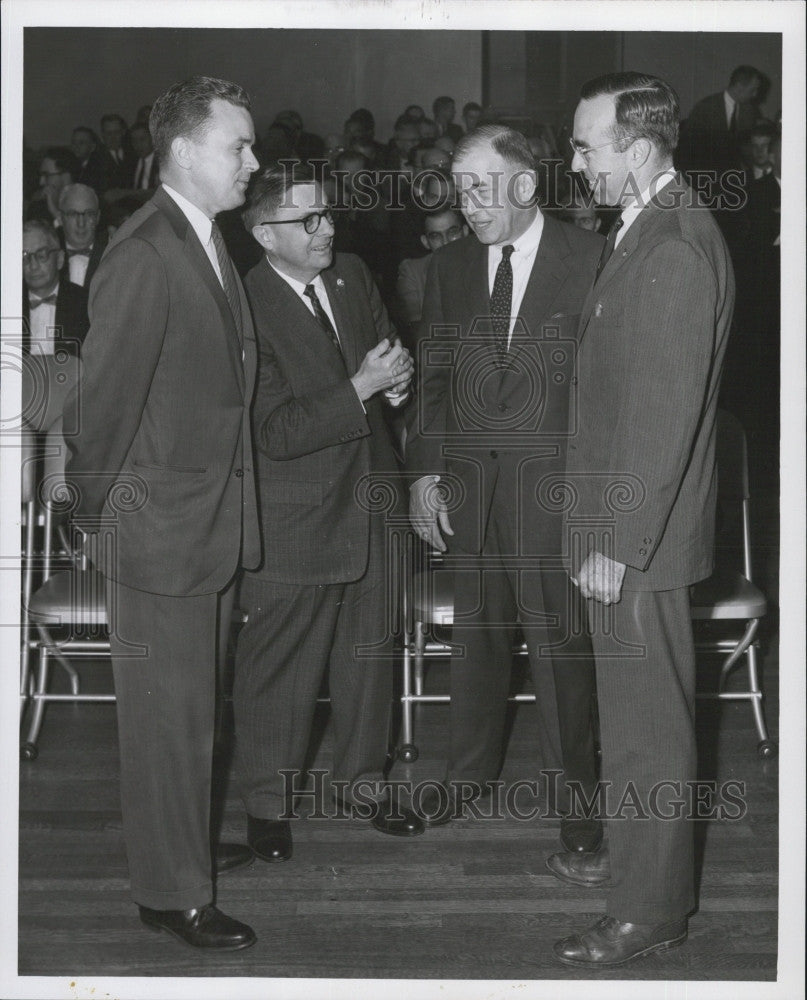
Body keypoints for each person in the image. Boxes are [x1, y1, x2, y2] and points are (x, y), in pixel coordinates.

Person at [63, 75, 261, 951]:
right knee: (166, 720)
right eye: (239, 146)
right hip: (159, 528)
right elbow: (101, 407)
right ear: (184, 152)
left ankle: (179, 850)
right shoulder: (146, 253)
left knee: (191, 715)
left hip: (202, 524)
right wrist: (98, 516)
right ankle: (170, 892)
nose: (252, 161)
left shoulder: (205, 239)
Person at [547, 71, 734, 968]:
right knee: (635, 728)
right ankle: (643, 888)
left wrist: (613, 544)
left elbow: (659, 419)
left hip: (634, 544)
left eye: (587, 145)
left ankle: (649, 912)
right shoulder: (647, 232)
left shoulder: (670, 246)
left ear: (641, 146)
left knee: (644, 736)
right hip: (624, 536)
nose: (575, 162)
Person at [405, 124, 603, 854]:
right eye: (459, 191)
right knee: (474, 644)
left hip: (552, 496)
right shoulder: (450, 266)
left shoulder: (591, 259)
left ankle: (576, 806)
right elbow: (431, 380)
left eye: (480, 189)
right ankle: (464, 777)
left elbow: (606, 391)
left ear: (524, 186)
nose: (466, 205)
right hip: (469, 492)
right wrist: (425, 473)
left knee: (562, 654)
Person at [234, 165, 422, 865]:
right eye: (307, 220)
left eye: (328, 216)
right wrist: (363, 385)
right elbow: (275, 430)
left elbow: (386, 348)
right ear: (263, 234)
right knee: (280, 668)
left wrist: (396, 379)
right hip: (294, 517)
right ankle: (265, 803)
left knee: (368, 657)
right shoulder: (242, 305)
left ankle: (362, 784)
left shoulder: (349, 274)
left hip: (373, 499)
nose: (327, 230)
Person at [679, 65, 763, 175]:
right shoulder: (705, 108)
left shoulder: (750, 112)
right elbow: (688, 148)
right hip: (706, 173)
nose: (755, 94)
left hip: (737, 176)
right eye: (752, 90)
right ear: (739, 87)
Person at [22, 219, 89, 356]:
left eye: (42, 255)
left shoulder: (85, 304)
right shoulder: (8, 305)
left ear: (59, 259)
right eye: (25, 256)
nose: (33, 265)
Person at [396, 206, 468, 330]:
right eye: (436, 236)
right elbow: (417, 328)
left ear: (465, 231)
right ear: (425, 242)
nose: (445, 242)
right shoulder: (412, 272)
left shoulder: (485, 263)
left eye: (452, 232)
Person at [57, 183, 105, 290]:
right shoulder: (48, 255)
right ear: (60, 218)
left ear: (98, 217)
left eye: (89, 214)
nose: (81, 223)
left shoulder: (111, 254)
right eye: (73, 214)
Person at [26, 147, 79, 229]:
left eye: (47, 175)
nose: (41, 182)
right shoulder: (37, 209)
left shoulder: (89, 206)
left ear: (66, 177)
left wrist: (55, 213)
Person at [128, 122, 160, 191]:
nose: (138, 144)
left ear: (152, 139)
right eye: (134, 140)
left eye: (142, 139)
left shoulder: (161, 162)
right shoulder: (130, 163)